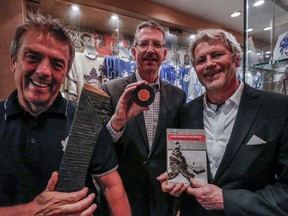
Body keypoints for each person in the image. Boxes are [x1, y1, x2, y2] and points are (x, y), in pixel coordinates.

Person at [0, 11, 131, 216]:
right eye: (33, 57)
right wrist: (31, 211)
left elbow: (112, 187)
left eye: (56, 64)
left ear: (64, 74)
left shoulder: (86, 119)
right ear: (13, 62)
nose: (44, 70)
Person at [157, 29, 288, 215]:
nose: (209, 64)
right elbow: (190, 168)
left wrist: (227, 200)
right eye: (201, 60)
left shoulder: (277, 109)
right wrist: (177, 179)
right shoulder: (187, 112)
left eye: (217, 54)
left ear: (237, 59)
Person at [102, 20, 186, 216]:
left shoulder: (178, 95)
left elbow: (181, 143)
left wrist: (180, 182)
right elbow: (100, 146)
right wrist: (118, 121)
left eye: (157, 44)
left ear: (164, 54)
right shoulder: (111, 90)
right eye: (144, 44)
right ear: (133, 52)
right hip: (122, 195)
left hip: (163, 196)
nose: (150, 50)